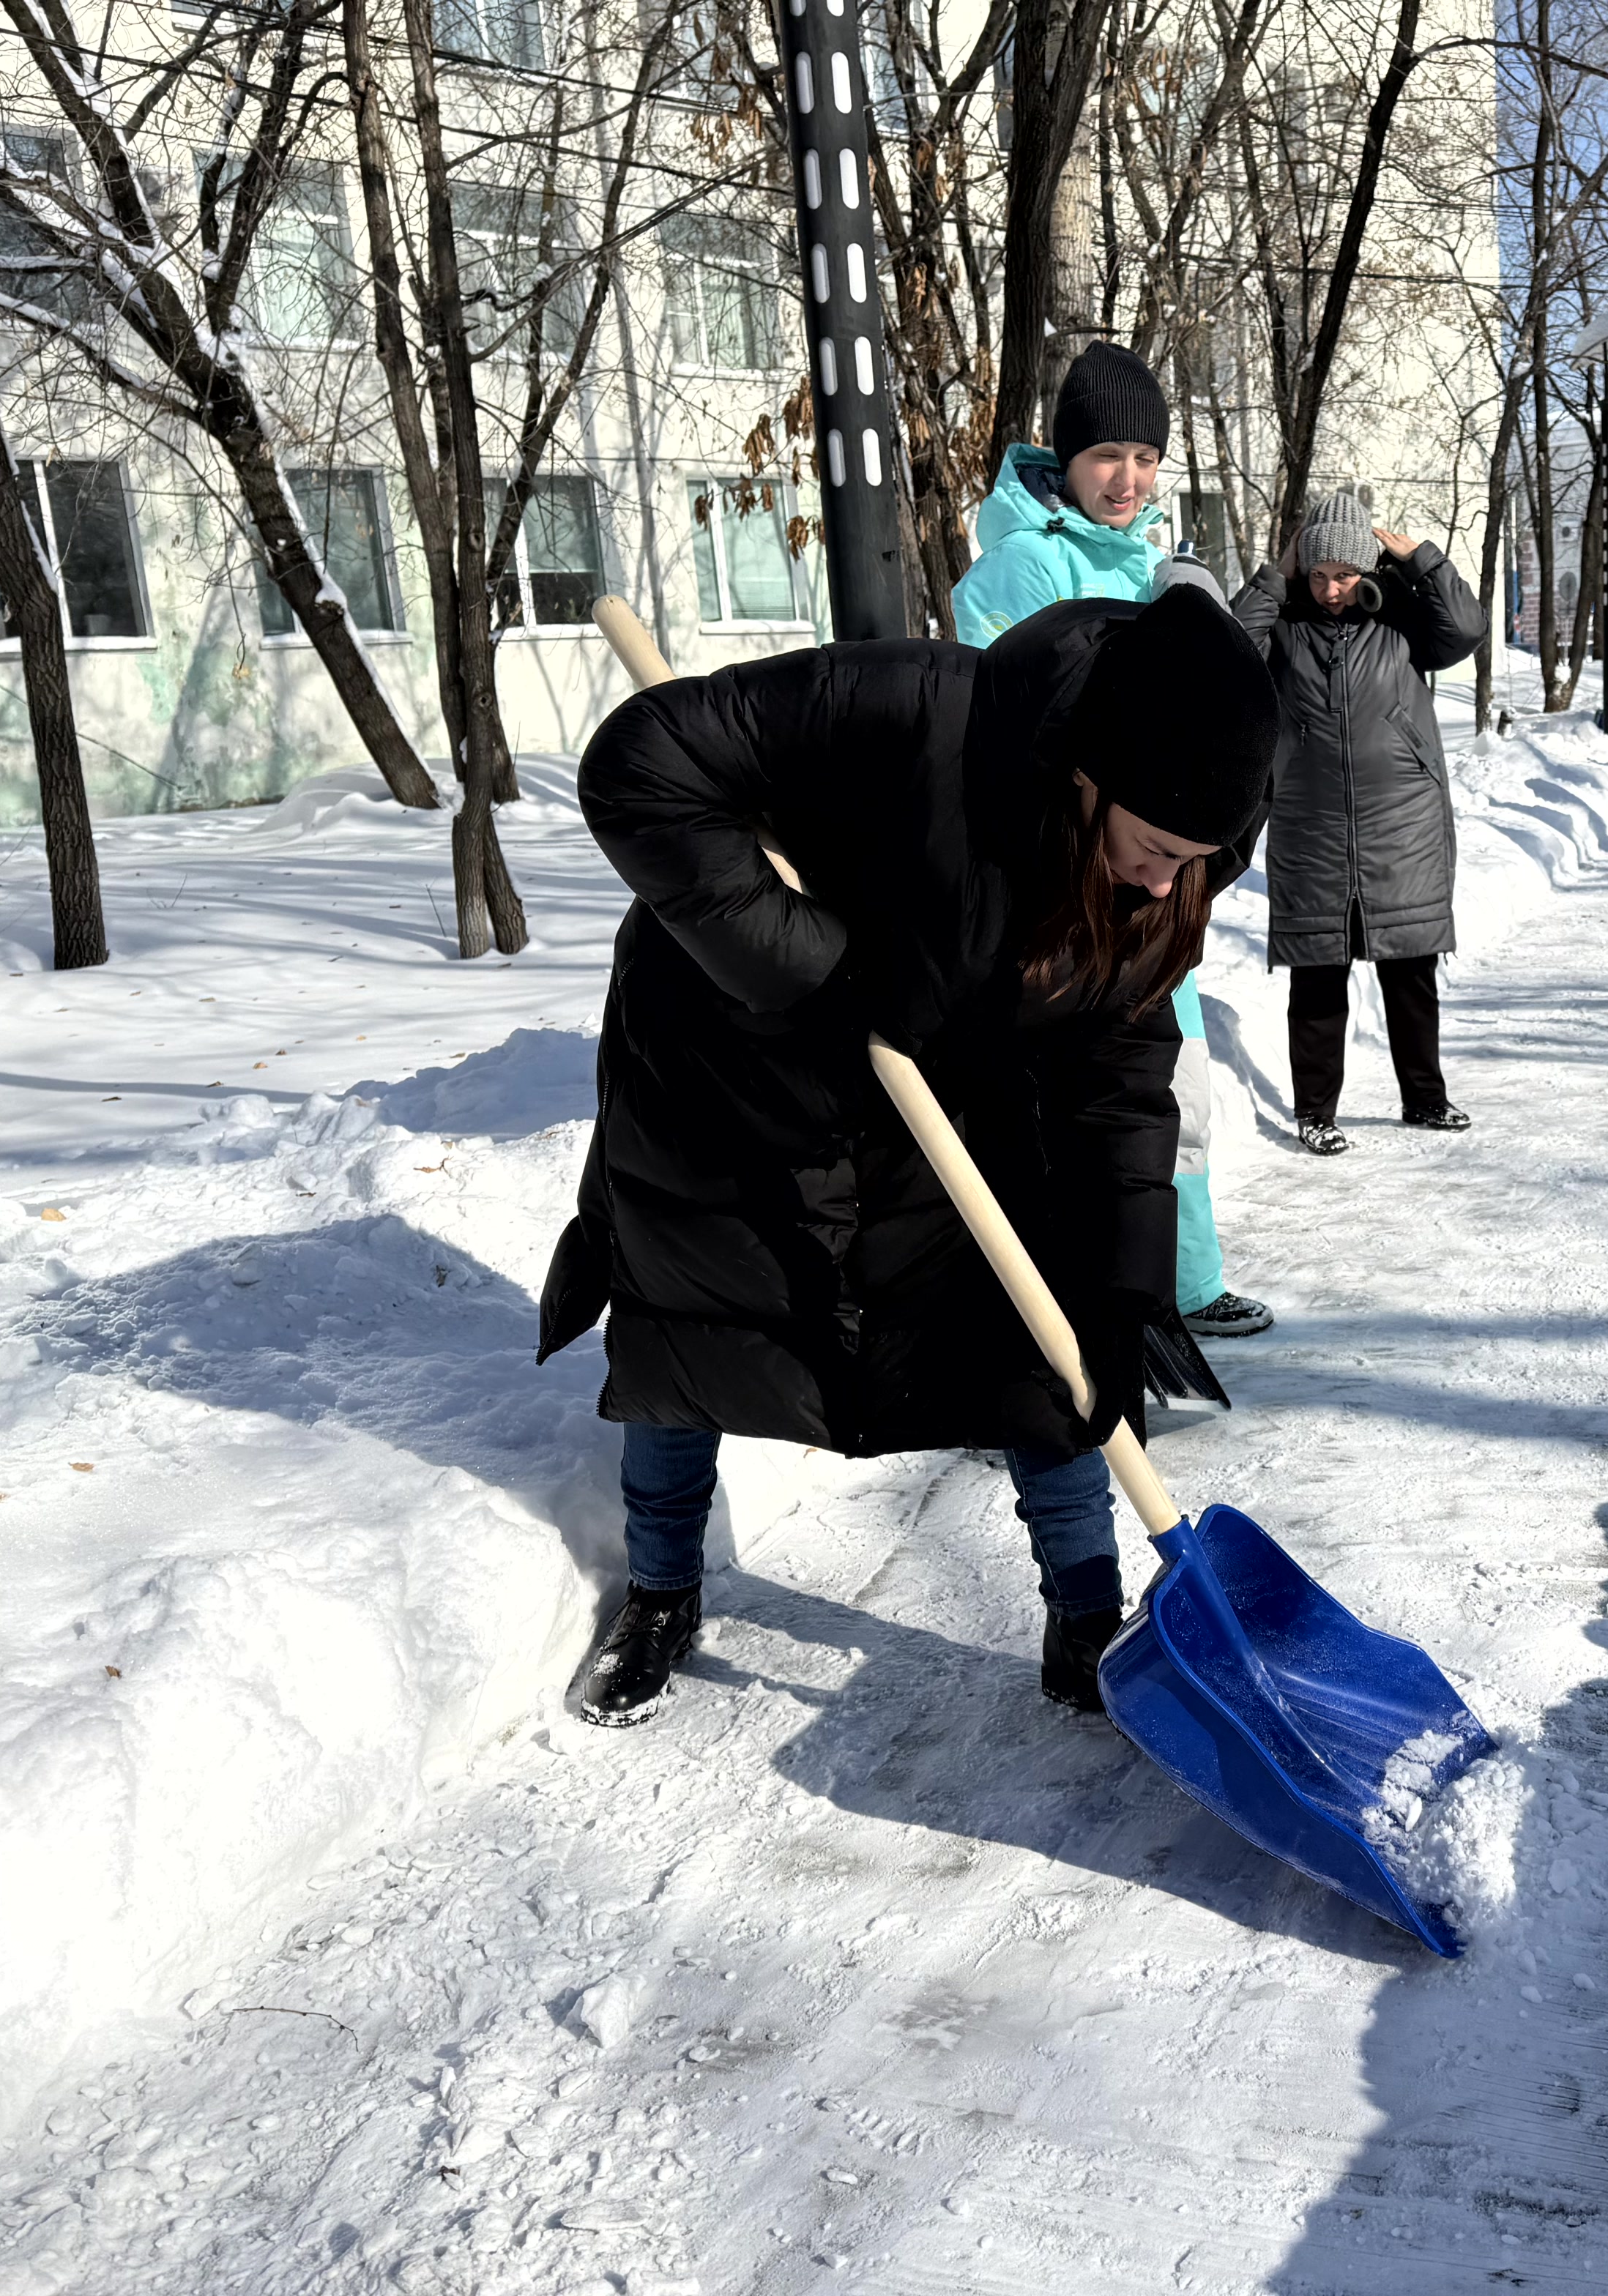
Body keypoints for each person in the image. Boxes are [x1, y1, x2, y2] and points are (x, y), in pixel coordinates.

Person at [539, 586, 1280, 1727]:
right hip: (733, 1054)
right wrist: (811, 964)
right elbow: (641, 764)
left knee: (1050, 1335)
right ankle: (660, 1593)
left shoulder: (1172, 863)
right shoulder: (913, 710)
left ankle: (1087, 1617)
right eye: (1154, 850)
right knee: (696, 1321)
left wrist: (1120, 1287)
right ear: (1090, 778)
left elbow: (1121, 1074)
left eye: (1196, 861)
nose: (1165, 883)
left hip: (938, 1065)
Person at [950, 343, 1275, 1343]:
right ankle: (1090, 1300)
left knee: (1171, 1090)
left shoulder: (1158, 560)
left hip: (1152, 876)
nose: (1127, 479)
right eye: (1105, 456)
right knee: (1083, 1096)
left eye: (1144, 457)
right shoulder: (1022, 563)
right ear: (1065, 455)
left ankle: (1184, 1281)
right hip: (1074, 878)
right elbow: (1009, 722)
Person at [1233, 489, 1484, 1157]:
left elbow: (1465, 630)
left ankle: (1424, 1098)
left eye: (1344, 575)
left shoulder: (1402, 619)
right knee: (1317, 976)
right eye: (1318, 575)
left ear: (1367, 570)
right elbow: (1229, 649)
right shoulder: (1285, 625)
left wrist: (1423, 559)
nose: (1330, 590)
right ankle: (1315, 1112)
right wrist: (1276, 575)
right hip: (1311, 825)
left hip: (1402, 822)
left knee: (1410, 971)